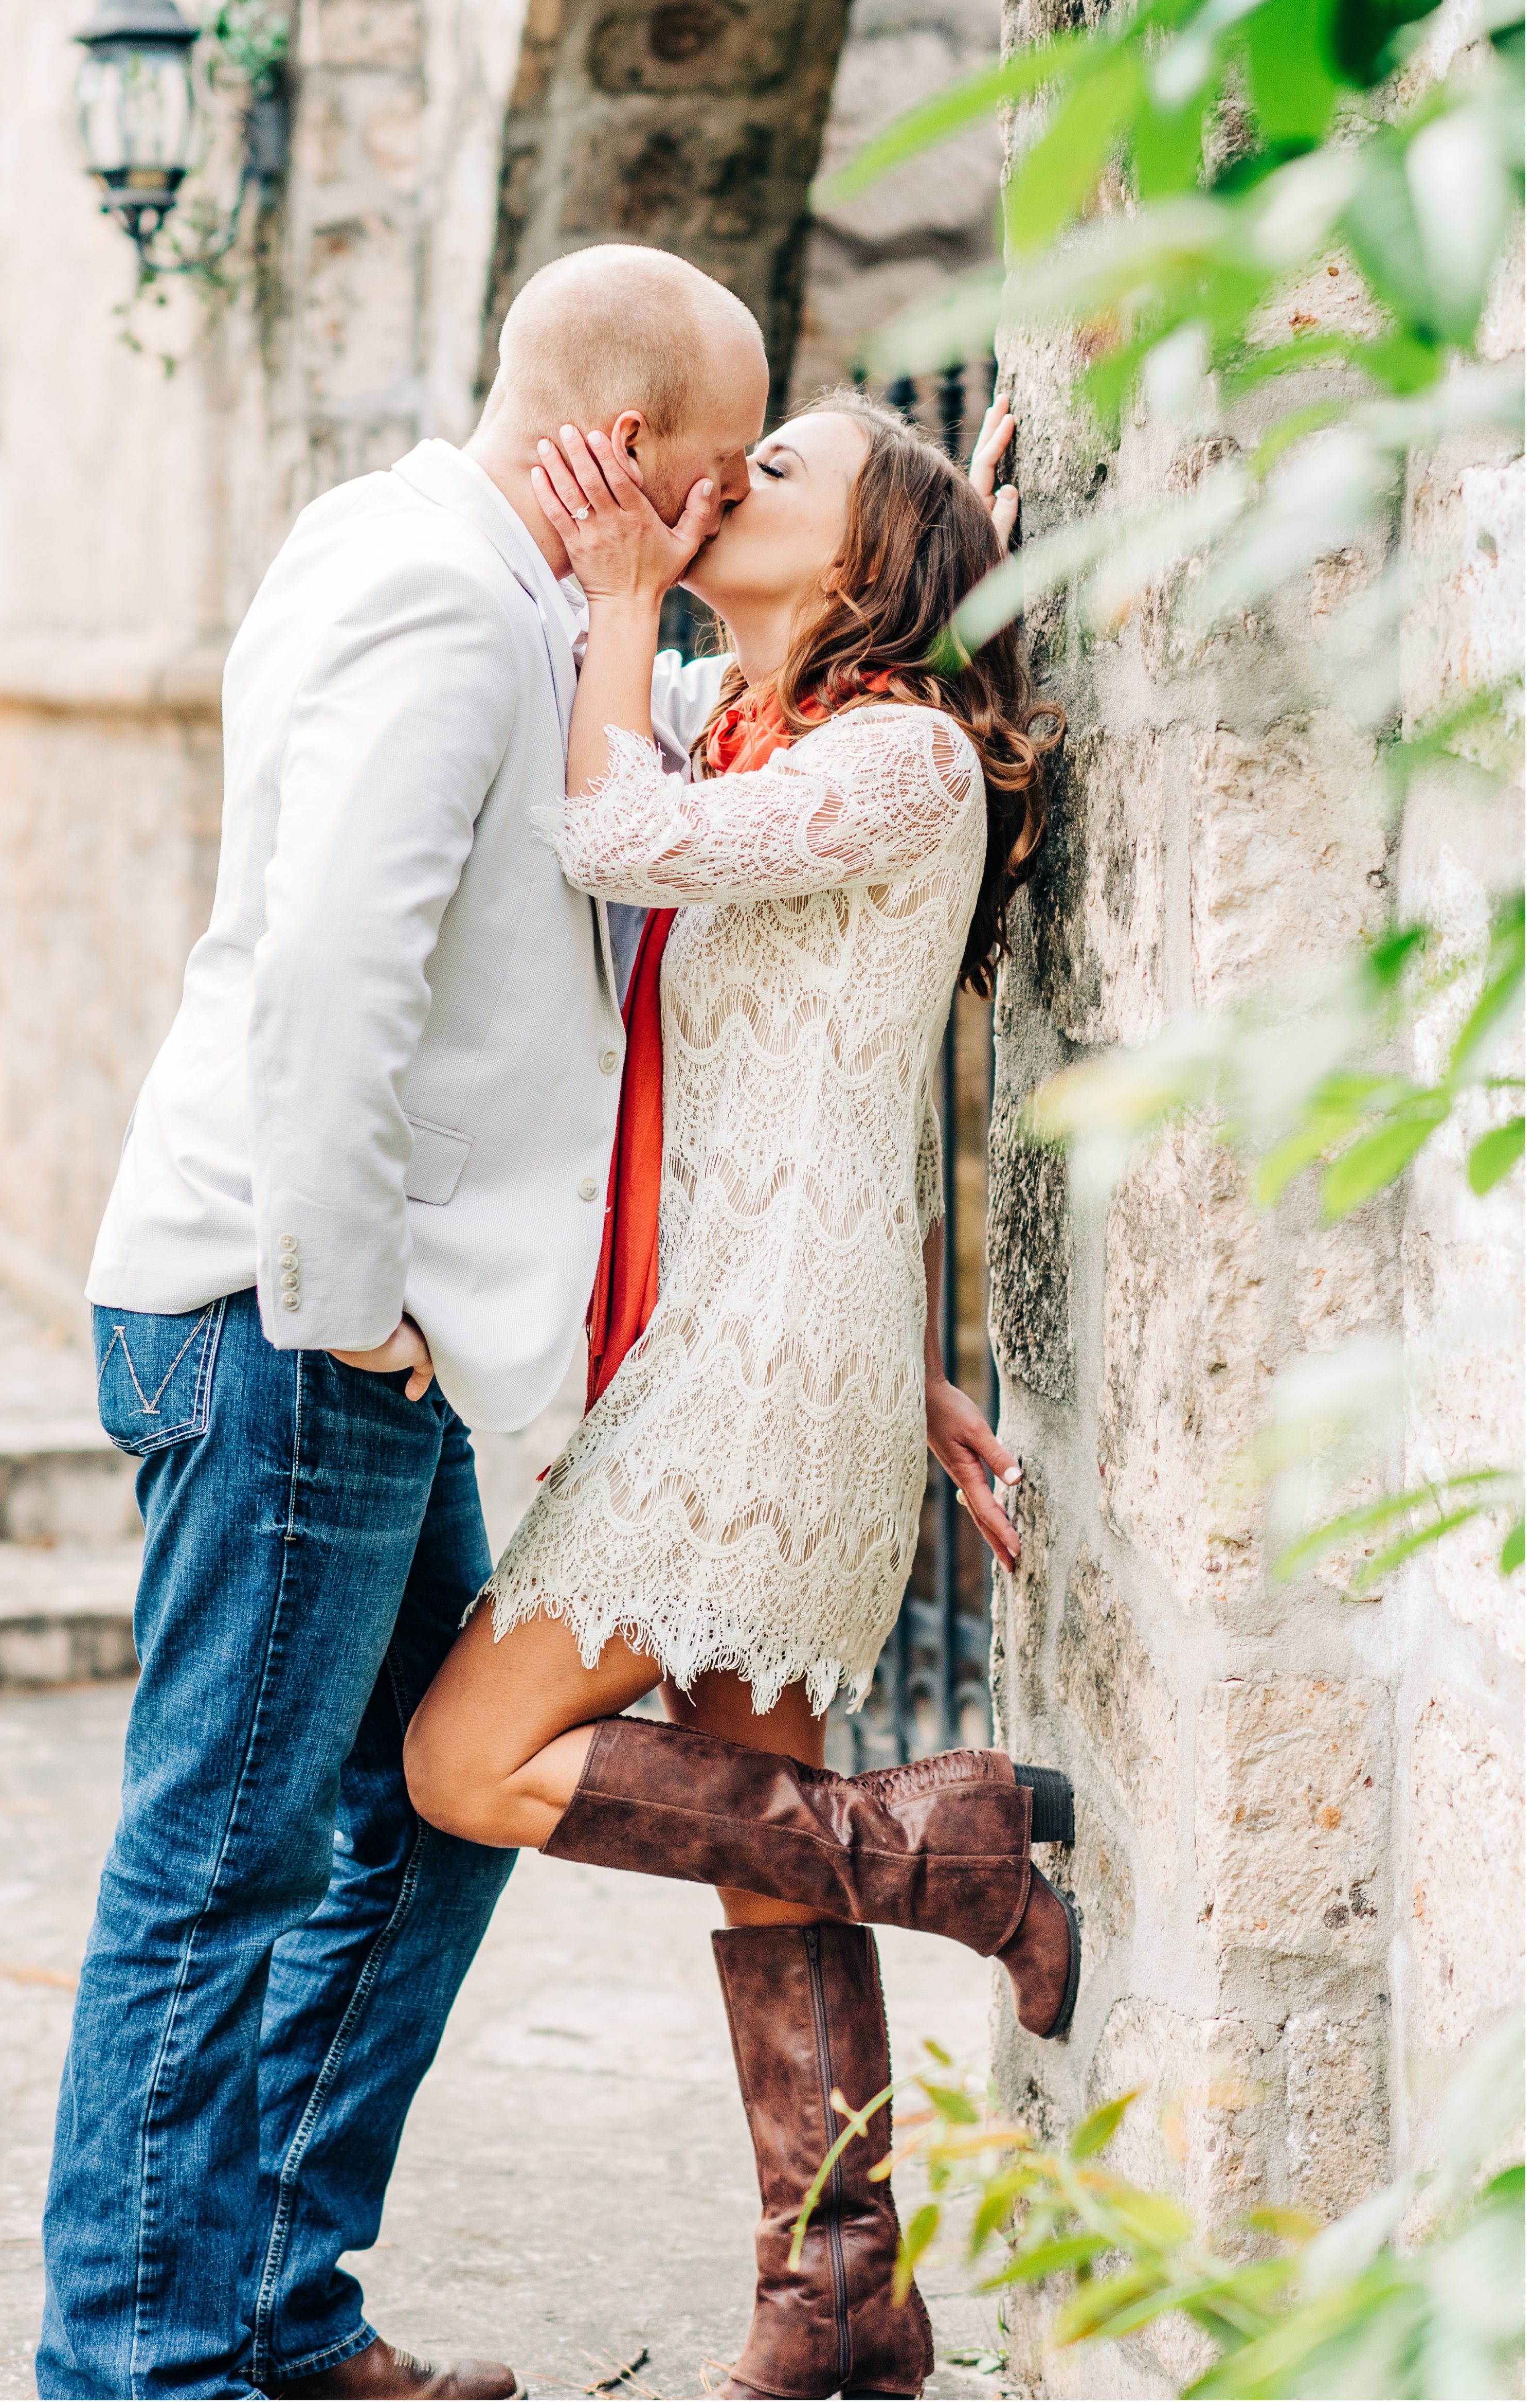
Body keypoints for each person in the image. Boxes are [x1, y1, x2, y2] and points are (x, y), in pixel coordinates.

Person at [37, 244, 773, 2403]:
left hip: (357, 1340)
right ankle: (142, 2364)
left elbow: (607, 839)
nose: (719, 521)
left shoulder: (499, 585)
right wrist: (346, 1313)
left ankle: (271, 2294)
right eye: (711, 480)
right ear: (619, 450)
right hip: (297, 1331)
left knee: (428, 1815)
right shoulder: (438, 597)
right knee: (222, 1861)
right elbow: (331, 976)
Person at [403, 385, 1069, 2404]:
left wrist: (616, 589)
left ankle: (932, 1844)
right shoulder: (761, 721)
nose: (724, 480)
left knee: (463, 1756)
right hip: (769, 1347)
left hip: (748, 1370)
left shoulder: (895, 756)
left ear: (866, 556)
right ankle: (837, 2292)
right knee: (758, 1825)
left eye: (780, 467)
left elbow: (608, 830)